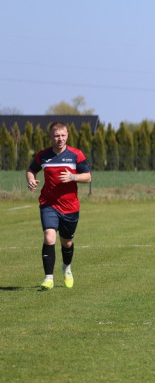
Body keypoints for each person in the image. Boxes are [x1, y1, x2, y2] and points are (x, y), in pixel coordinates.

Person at [26, 122, 92, 290]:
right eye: (56, 135)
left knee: (67, 243)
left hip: (70, 206)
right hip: (48, 203)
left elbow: (88, 177)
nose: (60, 139)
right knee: (49, 237)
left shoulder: (76, 155)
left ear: (67, 136)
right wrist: (31, 180)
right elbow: (31, 170)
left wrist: (73, 177)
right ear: (50, 137)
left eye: (63, 135)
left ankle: (66, 268)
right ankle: (48, 278)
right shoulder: (43, 156)